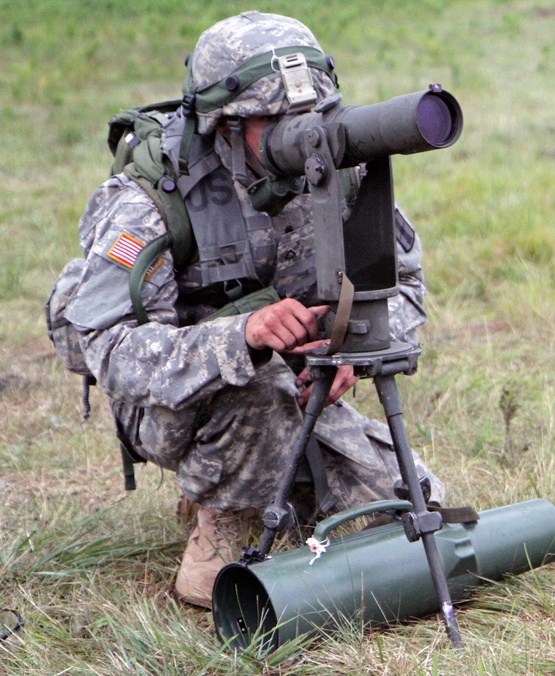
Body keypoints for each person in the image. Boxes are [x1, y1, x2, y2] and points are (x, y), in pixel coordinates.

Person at [63, 11, 444, 609]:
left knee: (410, 505)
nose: (296, 134)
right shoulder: (152, 197)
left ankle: (270, 480)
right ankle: (219, 533)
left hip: (298, 388)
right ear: (221, 124)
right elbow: (109, 349)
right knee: (259, 386)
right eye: (271, 120)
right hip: (173, 404)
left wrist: (350, 348)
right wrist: (242, 336)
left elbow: (407, 286)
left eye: (305, 114)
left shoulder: (335, 169)